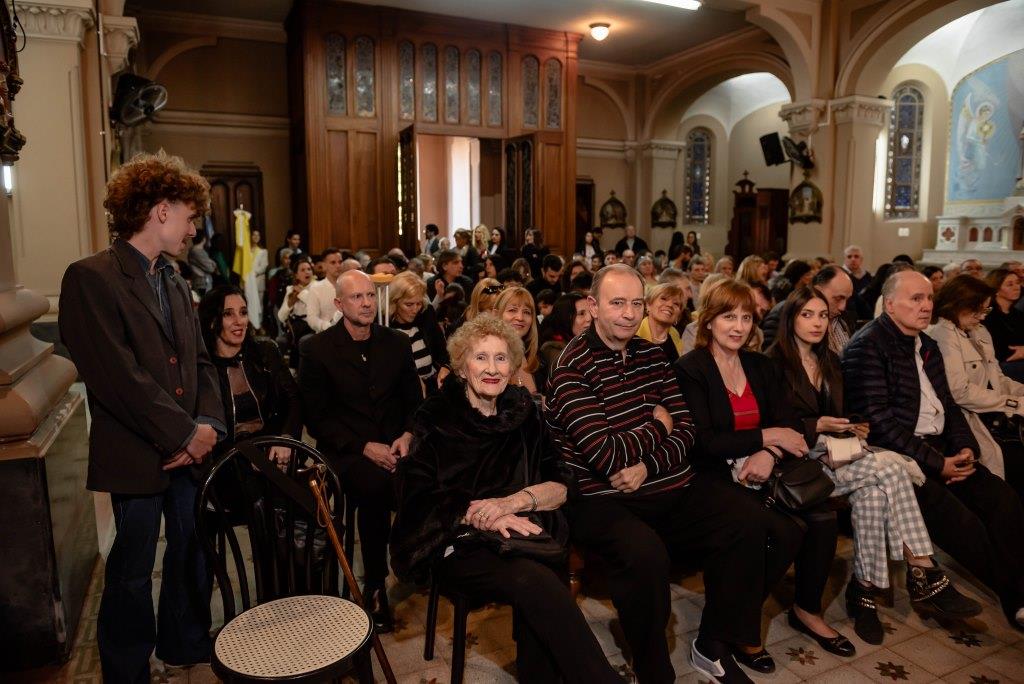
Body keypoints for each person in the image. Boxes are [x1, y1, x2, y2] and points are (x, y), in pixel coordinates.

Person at [546, 264, 775, 683]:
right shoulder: (570, 368)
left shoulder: (653, 354)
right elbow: (607, 456)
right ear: (593, 306)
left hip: (666, 483)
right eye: (618, 303)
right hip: (603, 499)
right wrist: (659, 425)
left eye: (637, 303)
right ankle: (652, 666)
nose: (630, 314)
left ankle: (712, 644)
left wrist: (649, 461)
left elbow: (687, 430)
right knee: (644, 554)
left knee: (749, 518)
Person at [59, 152, 224, 681]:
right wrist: (183, 432)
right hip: (135, 453)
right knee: (131, 572)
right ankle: (128, 669)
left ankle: (184, 644)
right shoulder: (90, 278)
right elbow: (117, 377)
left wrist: (209, 428)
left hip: (188, 448)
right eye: (189, 215)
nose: (193, 228)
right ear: (159, 210)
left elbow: (200, 360)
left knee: (189, 551)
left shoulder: (174, 279)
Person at [391, 316, 622, 683]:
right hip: (459, 542)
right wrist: (479, 514)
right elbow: (416, 498)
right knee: (536, 579)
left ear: (513, 366)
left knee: (543, 569)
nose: (492, 369)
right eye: (481, 358)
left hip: (521, 531)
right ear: (462, 366)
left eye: (501, 359)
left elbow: (562, 480)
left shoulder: (524, 411)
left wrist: (512, 503)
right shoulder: (436, 416)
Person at [768, 286, 981, 644]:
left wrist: (853, 423)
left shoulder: (829, 362)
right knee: (893, 467)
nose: (817, 323)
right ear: (791, 318)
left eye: (823, 315)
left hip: (837, 455)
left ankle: (863, 593)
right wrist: (817, 426)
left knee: (874, 496)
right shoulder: (772, 362)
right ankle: (922, 568)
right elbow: (772, 422)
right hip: (796, 466)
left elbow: (840, 412)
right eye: (808, 315)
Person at [675, 280, 851, 667]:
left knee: (818, 520)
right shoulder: (692, 369)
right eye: (727, 317)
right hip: (711, 476)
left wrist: (769, 451)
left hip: (763, 471)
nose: (738, 326)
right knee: (783, 529)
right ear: (708, 321)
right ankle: (739, 629)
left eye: (744, 317)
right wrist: (767, 435)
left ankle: (771, 617)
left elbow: (789, 424)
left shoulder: (760, 365)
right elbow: (703, 441)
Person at [843, 270, 1024, 629]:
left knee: (1003, 499)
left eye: (928, 299)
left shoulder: (926, 344)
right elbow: (878, 422)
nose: (926, 306)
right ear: (890, 304)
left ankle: (1018, 595)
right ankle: (1014, 596)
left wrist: (964, 447)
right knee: (965, 526)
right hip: (904, 456)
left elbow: (949, 405)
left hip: (943, 449)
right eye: (915, 299)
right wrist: (937, 462)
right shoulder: (868, 346)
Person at [298, 270, 423, 632]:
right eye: (357, 298)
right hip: (346, 450)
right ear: (339, 304)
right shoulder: (318, 349)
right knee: (375, 487)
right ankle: (374, 585)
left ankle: (419, 558)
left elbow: (414, 400)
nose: (367, 303)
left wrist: (407, 434)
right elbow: (317, 419)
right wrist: (364, 446)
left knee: (426, 475)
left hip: (395, 444)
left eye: (370, 296)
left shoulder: (396, 342)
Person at [929, 275, 1024, 495]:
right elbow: (960, 392)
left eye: (986, 311)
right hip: (966, 419)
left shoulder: (979, 331)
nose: (982, 317)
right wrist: (1013, 403)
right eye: (978, 311)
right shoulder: (943, 334)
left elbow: (997, 378)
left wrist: (1020, 393)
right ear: (958, 305)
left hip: (993, 415)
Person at [199, 285, 300, 468]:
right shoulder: (203, 368)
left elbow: (294, 399)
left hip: (274, 453)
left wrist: (285, 438)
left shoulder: (266, 352)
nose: (239, 321)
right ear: (212, 321)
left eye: (243, 312)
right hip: (228, 463)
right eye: (228, 314)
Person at [388, 271, 448, 391]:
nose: (415, 309)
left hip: (433, 386)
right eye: (409, 304)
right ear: (395, 302)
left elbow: (443, 351)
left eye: (418, 303)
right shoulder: (385, 325)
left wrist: (446, 367)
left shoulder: (426, 314)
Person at [493, 286, 541, 393]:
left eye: (527, 312)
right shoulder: (486, 358)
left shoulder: (536, 359)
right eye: (512, 310)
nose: (520, 317)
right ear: (496, 315)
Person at [537, 292, 591, 384]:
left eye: (590, 312)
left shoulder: (589, 341)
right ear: (565, 317)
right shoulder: (553, 349)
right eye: (581, 314)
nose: (589, 318)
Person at [982, 268, 1024, 382]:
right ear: (996, 289)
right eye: (1010, 284)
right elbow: (997, 350)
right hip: (998, 366)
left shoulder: (1018, 314)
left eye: (1018, 283)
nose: (1017, 287)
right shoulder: (988, 315)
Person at [277, 256, 314, 367]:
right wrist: (291, 303)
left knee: (303, 341)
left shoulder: (317, 287)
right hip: (294, 328)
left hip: (311, 328)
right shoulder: (290, 289)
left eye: (309, 269)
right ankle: (279, 374)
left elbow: (312, 303)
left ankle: (300, 372)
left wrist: (301, 293)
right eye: (302, 270)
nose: (307, 272)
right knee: (279, 341)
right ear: (296, 275)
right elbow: (281, 317)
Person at [636, 282, 685, 362]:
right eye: (663, 299)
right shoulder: (634, 333)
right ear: (648, 305)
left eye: (676, 304)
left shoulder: (675, 334)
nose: (669, 305)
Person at [300, 248, 345, 332]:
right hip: (325, 334)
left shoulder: (349, 285)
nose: (338, 266)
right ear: (324, 265)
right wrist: (328, 327)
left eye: (340, 262)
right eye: (333, 262)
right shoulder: (315, 288)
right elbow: (312, 318)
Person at [250, 228, 269, 310]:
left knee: (259, 305)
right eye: (254, 234)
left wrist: (252, 274)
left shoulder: (263, 251)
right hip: (248, 282)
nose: (256, 236)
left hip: (258, 281)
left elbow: (263, 267)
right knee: (250, 305)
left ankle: (259, 322)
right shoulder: (246, 251)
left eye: (258, 235)